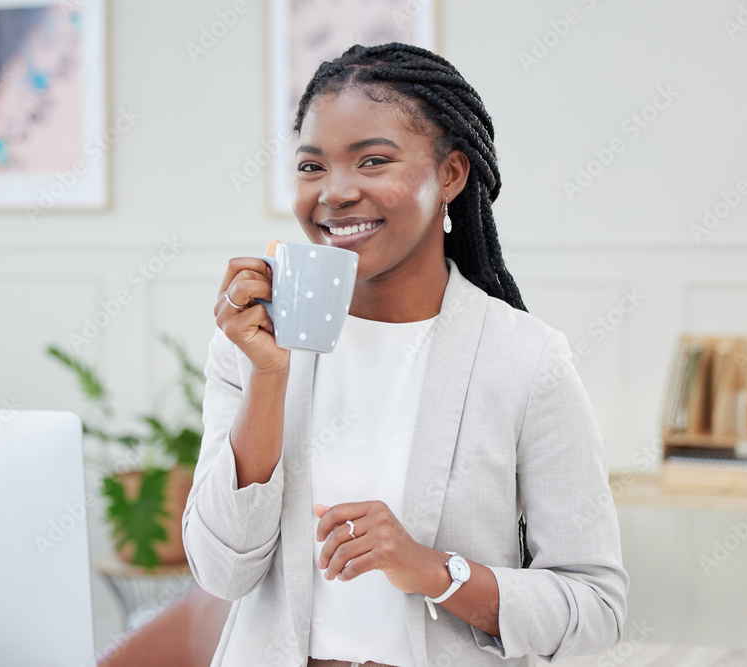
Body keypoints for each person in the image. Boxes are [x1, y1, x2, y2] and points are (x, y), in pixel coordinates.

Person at [182, 42, 628, 667]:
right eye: (313, 167)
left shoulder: (528, 362)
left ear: (450, 174)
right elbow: (221, 571)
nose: (334, 193)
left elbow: (595, 607)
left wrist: (431, 569)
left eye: (372, 161)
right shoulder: (253, 348)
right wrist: (268, 378)